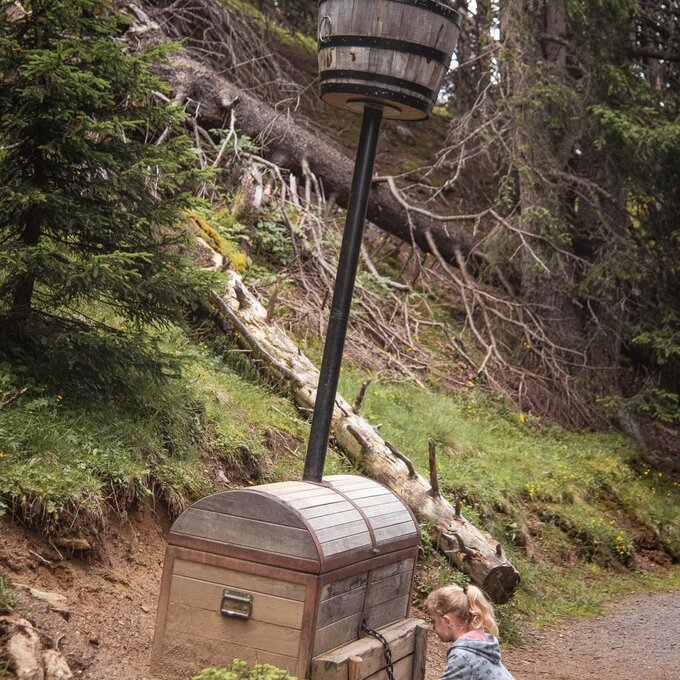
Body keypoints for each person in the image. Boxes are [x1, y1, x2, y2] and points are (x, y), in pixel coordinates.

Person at [426, 583, 516, 680]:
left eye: (433, 621)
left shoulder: (462, 655)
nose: (433, 627)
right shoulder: (481, 643)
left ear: (447, 621)